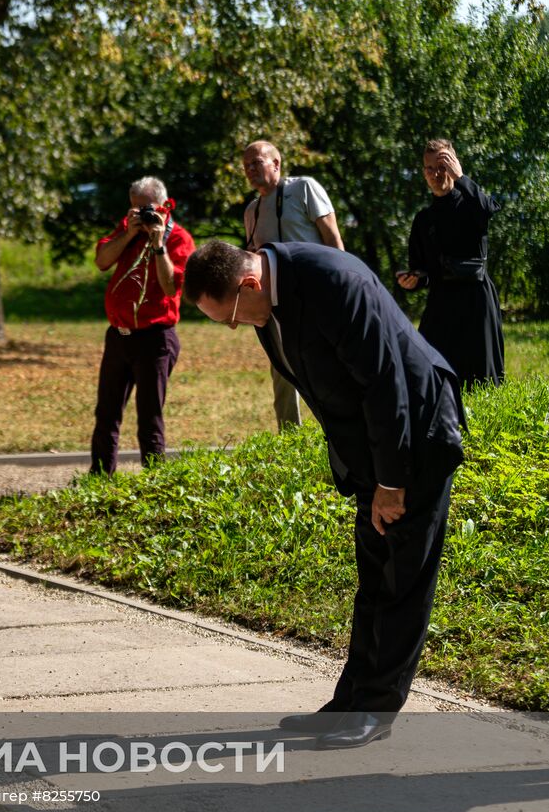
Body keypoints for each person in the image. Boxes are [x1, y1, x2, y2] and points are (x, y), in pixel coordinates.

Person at [183, 240, 464, 750]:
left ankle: (377, 710)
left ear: (249, 283)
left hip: (415, 436)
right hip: (374, 451)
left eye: (229, 319)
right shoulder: (270, 300)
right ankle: (350, 700)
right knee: (374, 576)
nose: (234, 327)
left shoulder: (334, 281)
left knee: (402, 577)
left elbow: (386, 384)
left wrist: (391, 481)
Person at [89, 176, 194, 474]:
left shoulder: (178, 238)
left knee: (149, 415)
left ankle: (154, 483)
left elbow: (172, 286)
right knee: (107, 412)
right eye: (133, 208)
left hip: (155, 339)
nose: (139, 214)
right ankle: (99, 479)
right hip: (119, 336)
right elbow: (102, 261)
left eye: (145, 208)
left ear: (162, 206)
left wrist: (158, 244)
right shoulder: (127, 229)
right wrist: (129, 233)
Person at [241, 140, 344, 430]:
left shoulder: (304, 189)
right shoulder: (252, 211)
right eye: (246, 165)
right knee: (282, 369)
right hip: (277, 301)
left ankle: (338, 428)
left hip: (315, 292)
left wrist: (340, 287)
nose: (250, 169)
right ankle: (290, 437)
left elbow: (333, 238)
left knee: (323, 363)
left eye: (256, 162)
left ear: (276, 164)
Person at [397, 139, 505, 387]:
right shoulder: (423, 220)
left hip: (475, 302)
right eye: (429, 168)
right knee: (429, 373)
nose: (436, 174)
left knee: (483, 382)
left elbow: (488, 210)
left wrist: (461, 178)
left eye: (442, 166)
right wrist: (413, 280)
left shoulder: (471, 205)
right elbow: (423, 270)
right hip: (441, 304)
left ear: (454, 166)